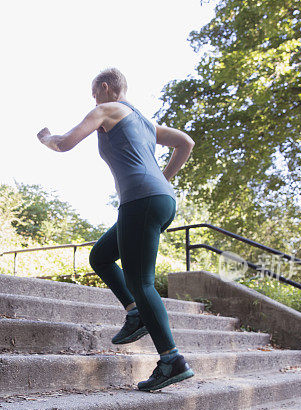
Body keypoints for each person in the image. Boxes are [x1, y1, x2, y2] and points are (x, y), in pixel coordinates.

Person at [37, 67, 195, 391]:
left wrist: (46, 138)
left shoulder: (106, 110)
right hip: (162, 201)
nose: (94, 100)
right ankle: (136, 313)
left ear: (105, 88)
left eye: (94, 94)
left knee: (142, 281)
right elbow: (186, 142)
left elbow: (65, 143)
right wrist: (164, 178)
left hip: (141, 200)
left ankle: (172, 360)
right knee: (101, 256)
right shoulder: (147, 123)